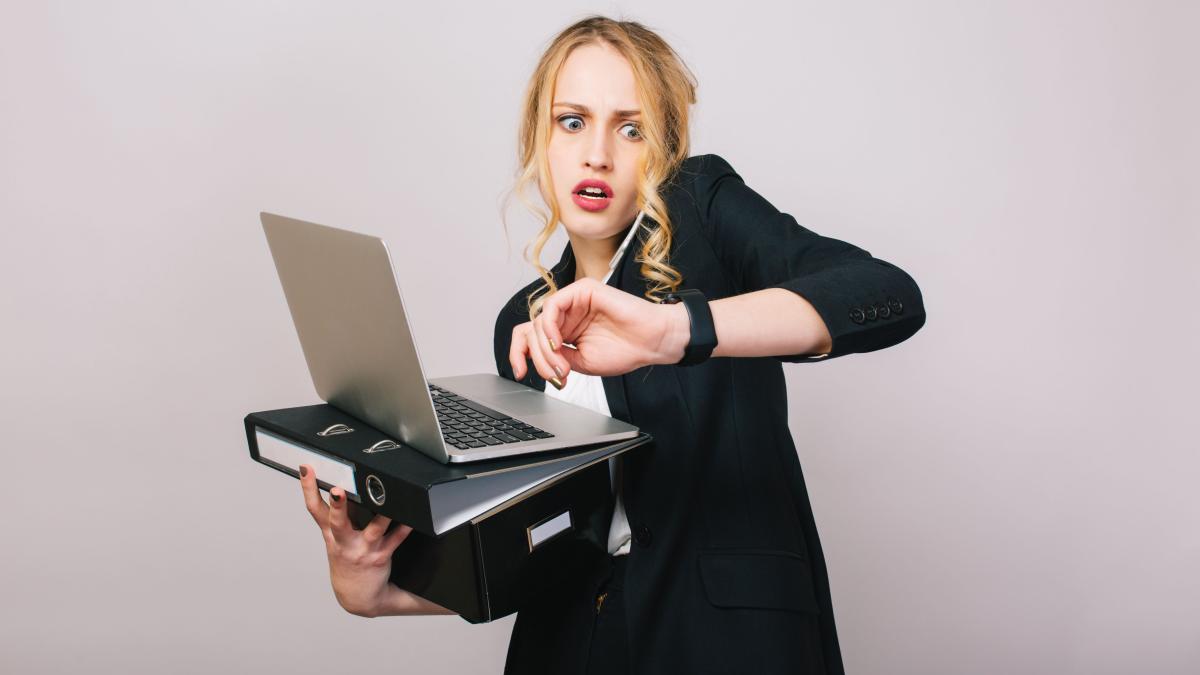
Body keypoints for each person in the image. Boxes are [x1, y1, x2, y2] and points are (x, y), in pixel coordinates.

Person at [297, 15, 925, 675]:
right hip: (570, 645)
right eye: (572, 122)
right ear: (539, 140)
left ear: (664, 150)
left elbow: (886, 295)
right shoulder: (525, 321)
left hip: (727, 643)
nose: (597, 153)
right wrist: (372, 589)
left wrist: (673, 330)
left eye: (632, 129)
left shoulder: (704, 215)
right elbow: (536, 555)